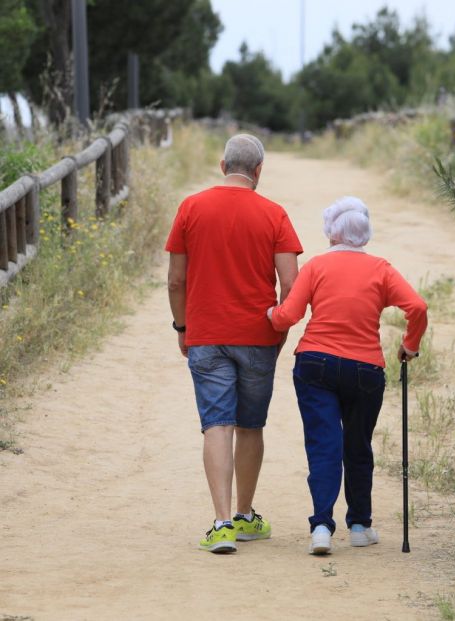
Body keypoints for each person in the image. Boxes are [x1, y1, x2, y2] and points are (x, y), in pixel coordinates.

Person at [166, 133, 303, 554]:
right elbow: (291, 285)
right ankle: (245, 516)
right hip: (258, 337)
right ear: (258, 171)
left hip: (206, 335)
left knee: (216, 423)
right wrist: (278, 329)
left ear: (223, 165)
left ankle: (221, 523)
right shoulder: (275, 214)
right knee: (250, 425)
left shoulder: (191, 208)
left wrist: (182, 328)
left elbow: (175, 279)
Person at [267, 196, 427, 555]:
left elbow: (288, 315)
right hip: (365, 370)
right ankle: (359, 525)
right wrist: (410, 344)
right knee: (358, 445)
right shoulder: (382, 269)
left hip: (315, 363)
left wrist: (270, 316)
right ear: (365, 236)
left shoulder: (317, 266)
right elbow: (417, 306)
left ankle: (321, 528)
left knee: (324, 446)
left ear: (331, 233)